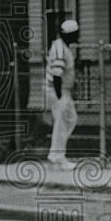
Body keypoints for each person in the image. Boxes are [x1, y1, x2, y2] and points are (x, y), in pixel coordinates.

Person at [45, 18, 79, 170]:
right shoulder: (60, 48)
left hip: (62, 90)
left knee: (70, 119)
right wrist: (60, 97)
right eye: (75, 34)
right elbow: (57, 74)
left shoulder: (63, 46)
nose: (77, 37)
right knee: (63, 122)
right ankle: (57, 157)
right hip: (57, 90)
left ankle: (57, 155)